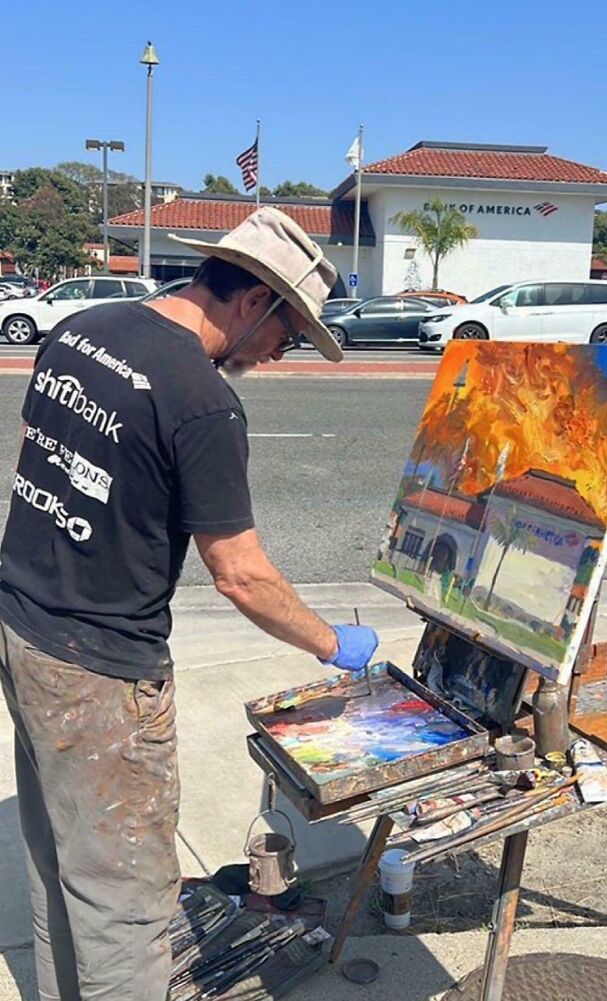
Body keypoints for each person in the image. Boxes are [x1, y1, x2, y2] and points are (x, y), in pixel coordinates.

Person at [0, 206, 379, 1001]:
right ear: (256, 303)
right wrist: (329, 643)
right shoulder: (202, 400)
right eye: (290, 334)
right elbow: (239, 573)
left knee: (56, 860)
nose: (280, 355)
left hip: (24, 627)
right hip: (101, 674)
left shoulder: (82, 329)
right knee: (126, 907)